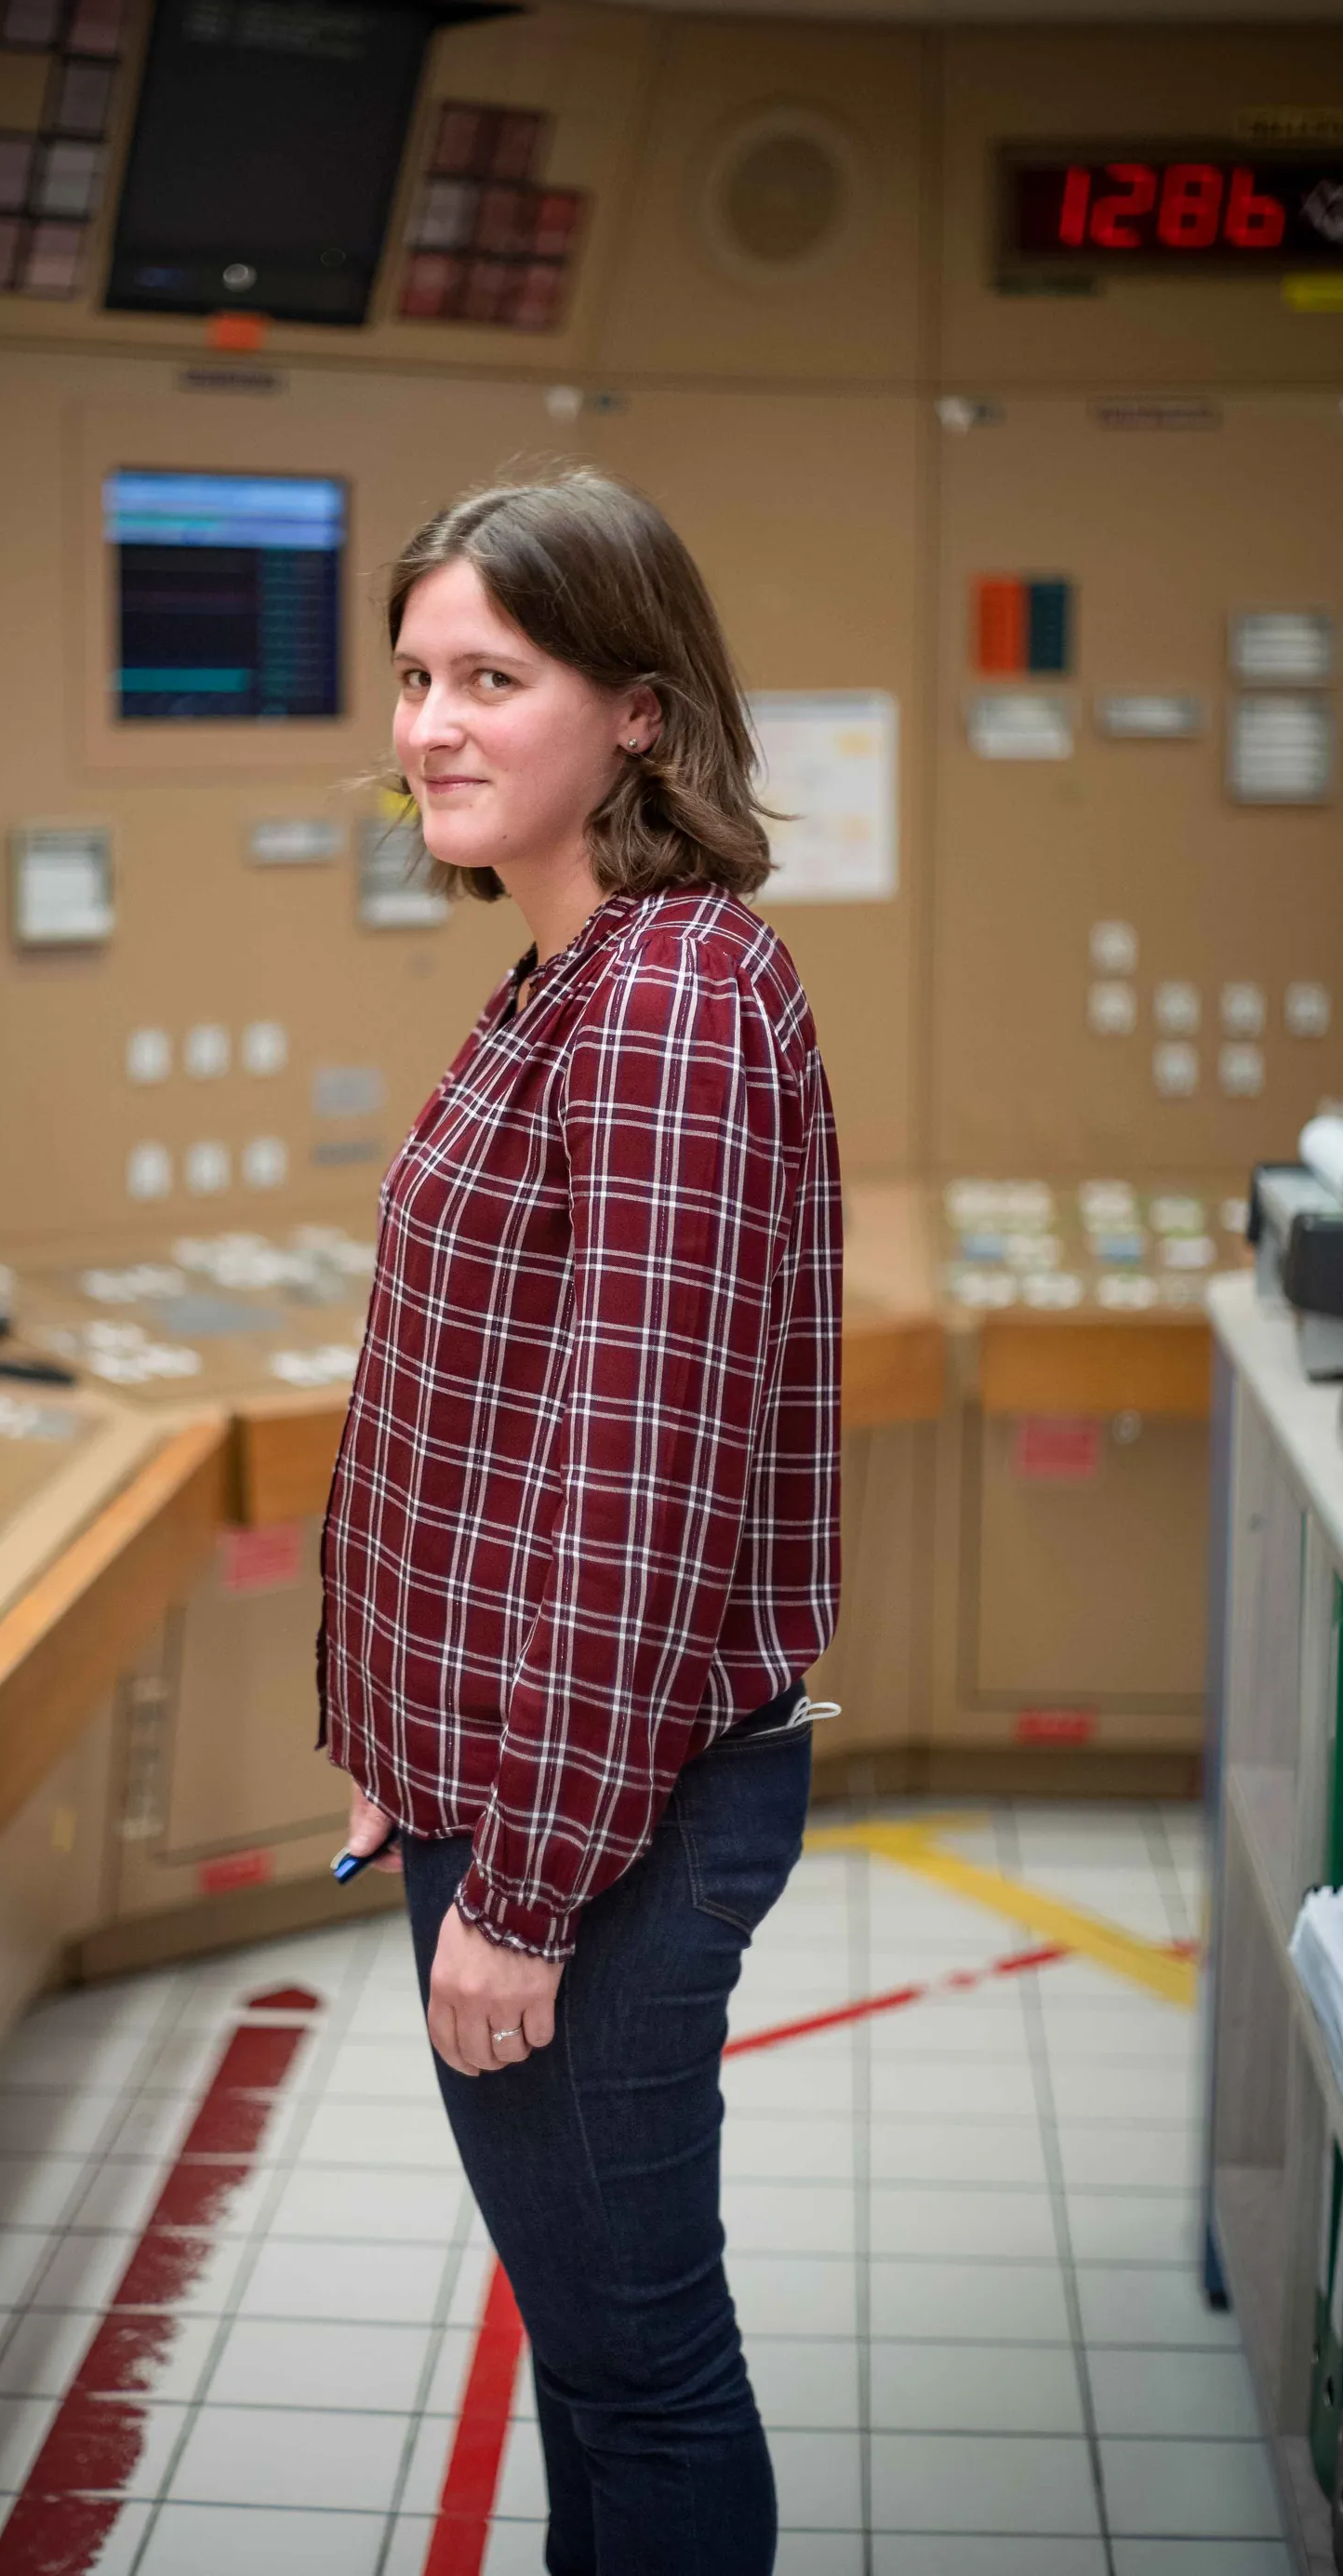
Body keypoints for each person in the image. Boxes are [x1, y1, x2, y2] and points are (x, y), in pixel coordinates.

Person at [316, 468, 841, 2575]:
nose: (434, 723)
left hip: (602, 1820)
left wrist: (521, 1886)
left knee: (641, 2365)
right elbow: (496, 1425)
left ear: (639, 709)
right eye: (418, 675)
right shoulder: (575, 974)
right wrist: (395, 1722)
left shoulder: (670, 1001)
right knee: (592, 2352)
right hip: (527, 1772)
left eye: (494, 677)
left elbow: (630, 1493)